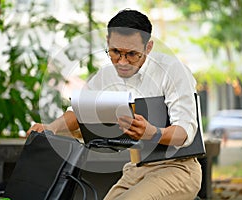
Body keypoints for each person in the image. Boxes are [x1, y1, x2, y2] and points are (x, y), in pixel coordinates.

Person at [27, 9, 202, 200]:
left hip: (178, 168)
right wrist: (50, 128)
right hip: (135, 169)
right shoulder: (106, 76)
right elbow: (79, 112)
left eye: (132, 54)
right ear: (108, 43)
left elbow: (185, 132)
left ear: (148, 47)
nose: (122, 62)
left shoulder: (172, 70)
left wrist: (152, 133)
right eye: (115, 52)